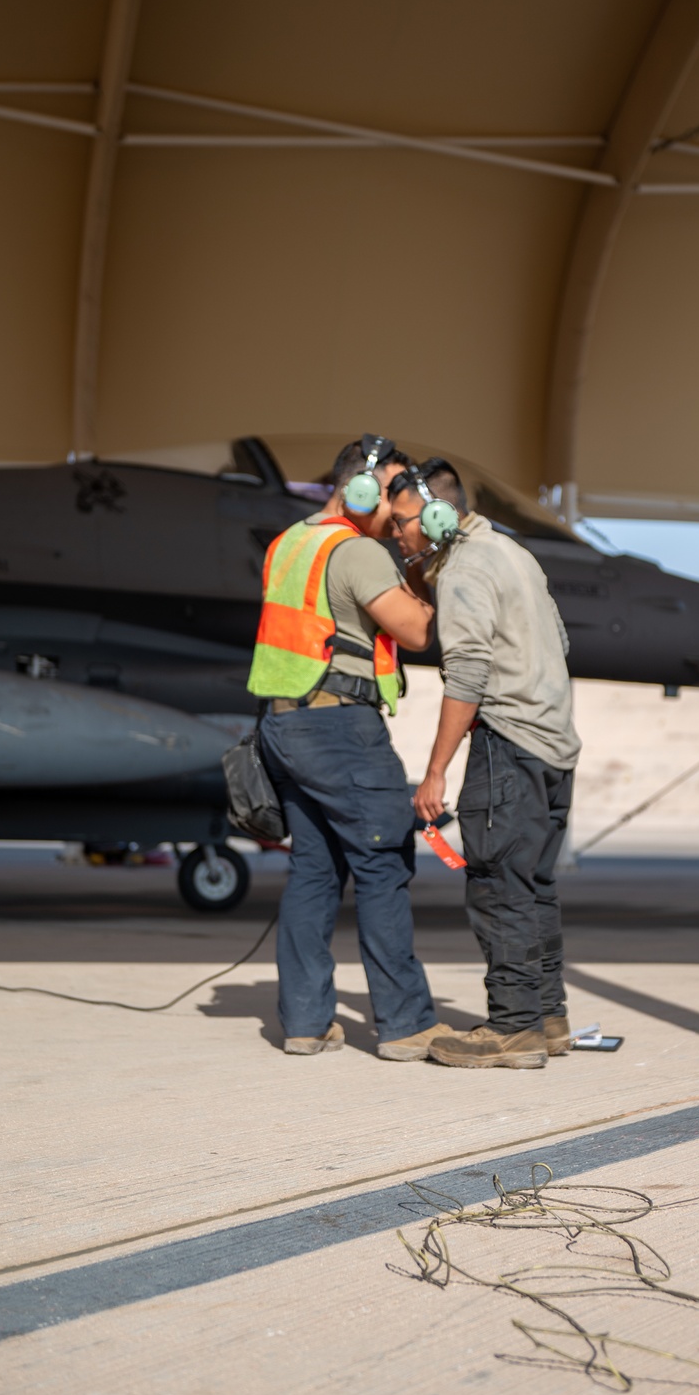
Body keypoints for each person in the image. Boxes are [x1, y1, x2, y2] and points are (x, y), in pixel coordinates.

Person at [247, 436, 449, 1060]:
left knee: (314, 870)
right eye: (392, 492)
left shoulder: (291, 542)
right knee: (383, 865)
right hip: (340, 730)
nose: (399, 508)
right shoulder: (356, 550)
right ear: (360, 488)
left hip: (284, 727)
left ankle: (305, 1022)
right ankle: (406, 1024)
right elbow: (416, 630)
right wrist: (423, 564)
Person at [389, 459, 580, 1069]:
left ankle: (513, 1028)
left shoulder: (467, 569)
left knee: (499, 887)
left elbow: (467, 671)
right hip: (553, 748)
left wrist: (437, 769)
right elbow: (559, 644)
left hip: (508, 746)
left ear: (439, 516)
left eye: (402, 523)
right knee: (535, 887)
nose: (397, 535)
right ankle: (548, 1017)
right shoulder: (513, 554)